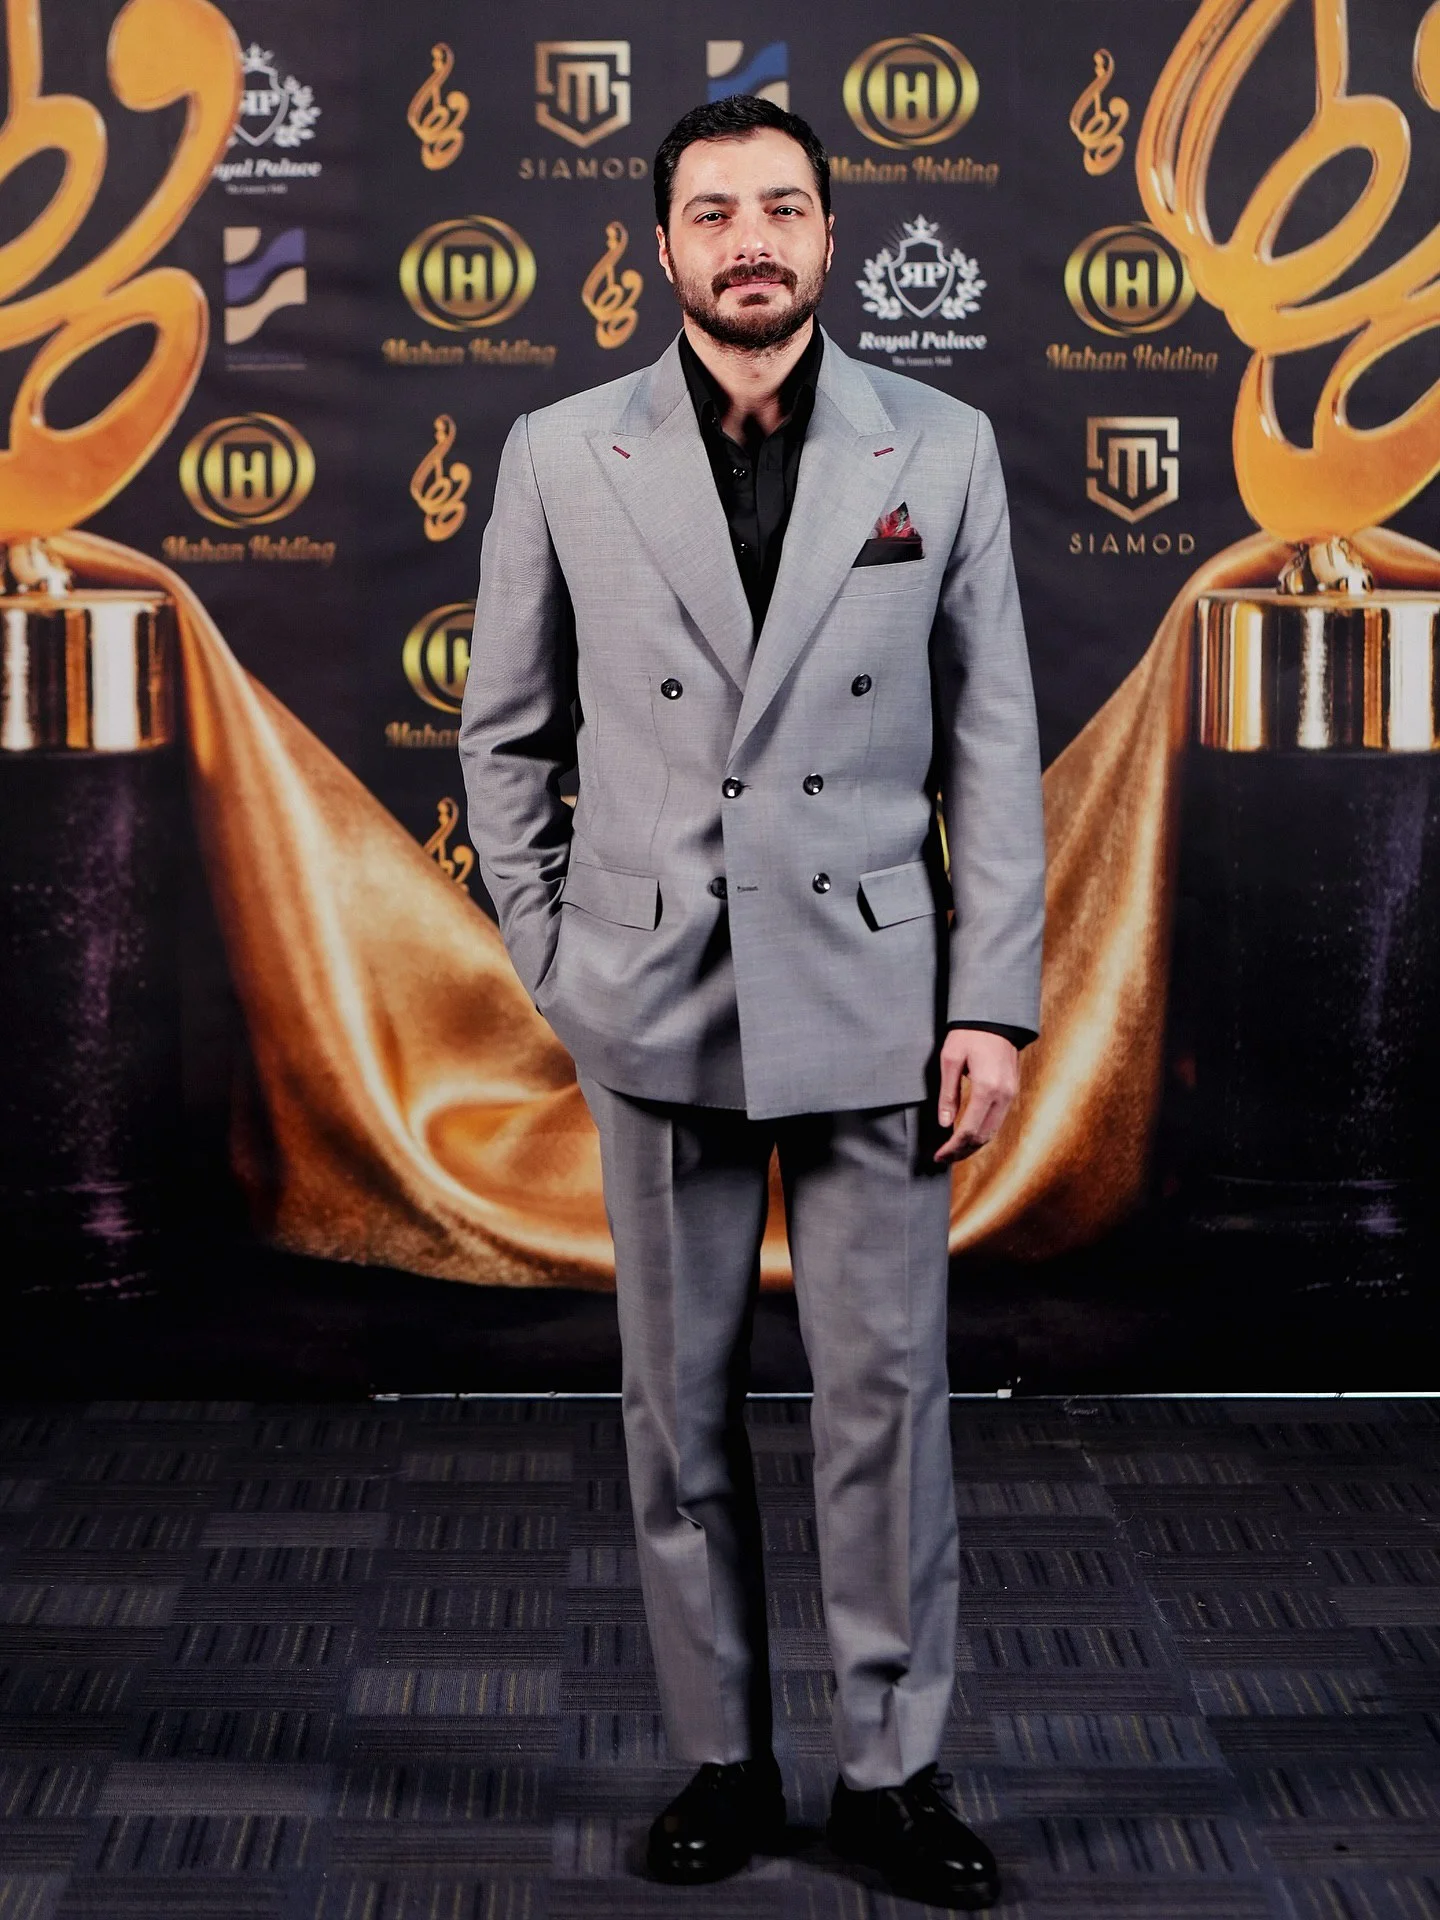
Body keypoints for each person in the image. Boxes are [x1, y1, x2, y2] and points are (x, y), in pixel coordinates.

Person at [460, 95, 1043, 1911]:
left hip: (879, 992)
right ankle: (725, 1757)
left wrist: (991, 1004)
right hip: (653, 996)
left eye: (783, 207)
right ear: (660, 247)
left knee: (888, 1401)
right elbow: (504, 740)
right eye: (713, 212)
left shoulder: (939, 446)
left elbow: (994, 745)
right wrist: (558, 962)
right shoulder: (561, 451)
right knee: (677, 1406)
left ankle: (890, 1775)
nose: (750, 240)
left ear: (829, 235)